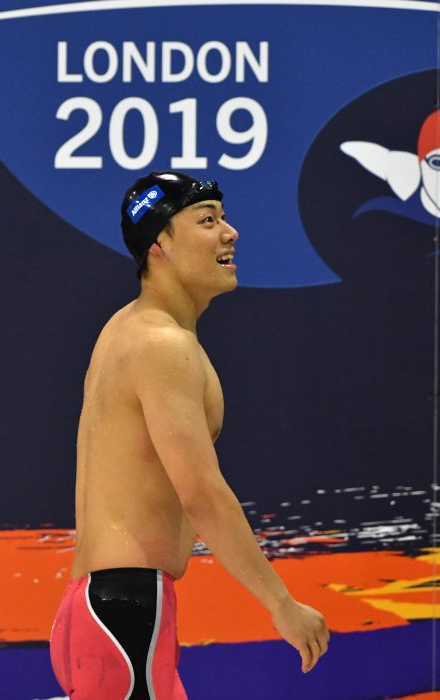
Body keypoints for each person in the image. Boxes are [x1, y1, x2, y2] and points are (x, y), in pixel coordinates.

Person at [49, 171, 330, 699]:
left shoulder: (125, 330)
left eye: (222, 217)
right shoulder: (161, 346)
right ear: (160, 246)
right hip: (126, 614)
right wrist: (281, 605)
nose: (231, 233)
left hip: (101, 611)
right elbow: (200, 493)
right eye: (208, 221)